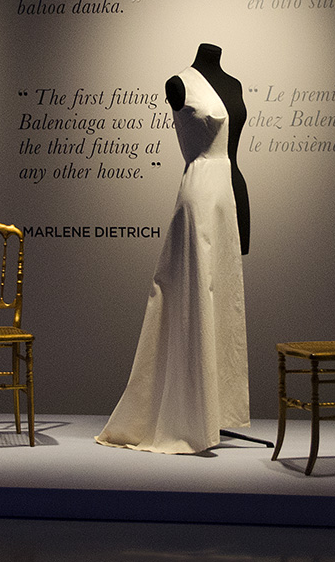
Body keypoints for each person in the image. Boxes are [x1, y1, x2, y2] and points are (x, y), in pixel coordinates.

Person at [96, 43, 250, 453]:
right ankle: (188, 415)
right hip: (200, 195)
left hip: (232, 193)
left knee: (224, 302)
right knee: (194, 299)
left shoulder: (234, 84)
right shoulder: (179, 83)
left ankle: (213, 412)